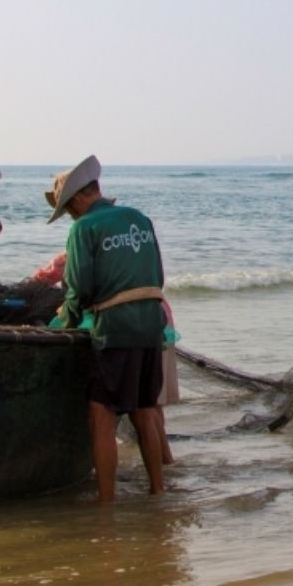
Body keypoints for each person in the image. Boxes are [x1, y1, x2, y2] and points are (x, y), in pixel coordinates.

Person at [46, 155, 168, 503]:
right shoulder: (139, 219)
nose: (69, 213)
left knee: (101, 413)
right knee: (145, 409)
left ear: (78, 198)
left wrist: (64, 322)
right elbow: (157, 277)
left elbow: (79, 287)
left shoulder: (83, 228)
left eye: (67, 206)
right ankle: (159, 490)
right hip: (151, 325)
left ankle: (106, 501)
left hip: (114, 330)